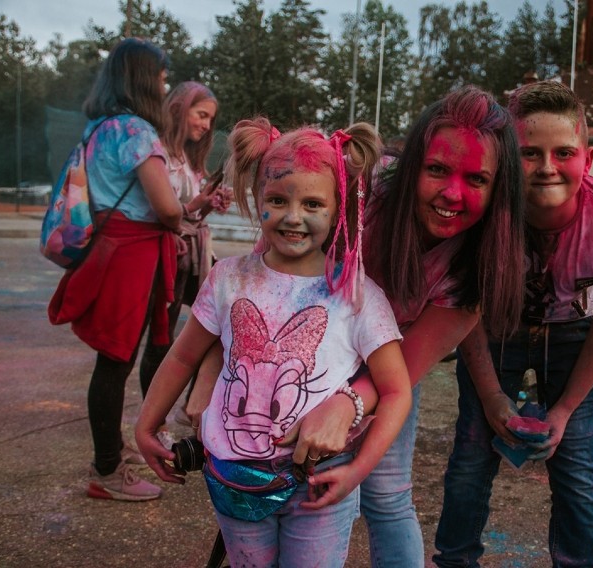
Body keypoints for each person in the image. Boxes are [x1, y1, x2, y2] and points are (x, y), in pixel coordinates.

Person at [187, 85, 527, 567]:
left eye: (476, 179)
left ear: (499, 188)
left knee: (386, 496)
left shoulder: (481, 265)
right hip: (292, 360)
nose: (452, 193)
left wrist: (344, 405)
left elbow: (400, 376)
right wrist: (212, 368)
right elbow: (262, 292)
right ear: (411, 166)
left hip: (387, 369)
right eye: (436, 169)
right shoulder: (359, 191)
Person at [135, 119, 413, 567]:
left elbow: (397, 389)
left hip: (319, 482)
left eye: (313, 203)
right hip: (232, 480)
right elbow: (185, 353)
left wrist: (357, 472)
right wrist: (146, 424)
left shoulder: (357, 295)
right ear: (257, 199)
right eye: (278, 200)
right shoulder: (228, 277)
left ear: (338, 207)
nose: (293, 216)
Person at [433, 80, 593, 568]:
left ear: (587, 160)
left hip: (576, 336)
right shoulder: (480, 216)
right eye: (529, 153)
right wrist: (490, 398)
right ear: (508, 158)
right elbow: (465, 313)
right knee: (470, 459)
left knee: (575, 468)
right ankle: (455, 560)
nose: (547, 167)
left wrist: (566, 409)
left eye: (563, 152)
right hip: (492, 332)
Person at [46, 38, 182, 501]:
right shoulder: (136, 132)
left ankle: (109, 455)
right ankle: (106, 470)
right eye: (161, 76)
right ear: (145, 79)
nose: (164, 85)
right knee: (115, 363)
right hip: (131, 256)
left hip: (110, 249)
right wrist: (181, 214)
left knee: (112, 361)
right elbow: (165, 206)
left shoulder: (98, 128)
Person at [138, 81, 228, 445]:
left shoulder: (189, 159)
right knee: (162, 341)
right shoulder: (156, 153)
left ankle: (189, 402)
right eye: (201, 114)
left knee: (214, 329)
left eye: (210, 119)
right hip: (168, 257)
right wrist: (194, 206)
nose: (206, 125)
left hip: (194, 255)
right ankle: (153, 420)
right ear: (179, 108)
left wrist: (210, 202)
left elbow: (188, 212)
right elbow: (166, 213)